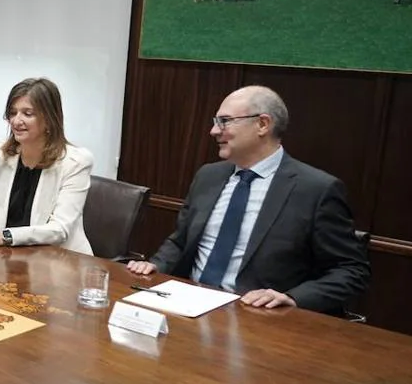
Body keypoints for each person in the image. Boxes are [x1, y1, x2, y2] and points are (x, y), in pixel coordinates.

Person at [127, 86, 369, 313]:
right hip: (188, 304)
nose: (214, 131)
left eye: (225, 121)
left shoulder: (316, 189)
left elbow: (350, 270)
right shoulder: (208, 176)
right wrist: (156, 264)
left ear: (262, 124)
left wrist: (294, 297)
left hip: (257, 316)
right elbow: (180, 241)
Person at [0, 78, 93, 253]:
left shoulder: (75, 163)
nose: (16, 120)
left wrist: (4, 236)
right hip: (10, 257)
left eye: (27, 114)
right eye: (13, 113)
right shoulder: (2, 156)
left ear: (50, 119)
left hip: (60, 262)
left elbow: (59, 229)